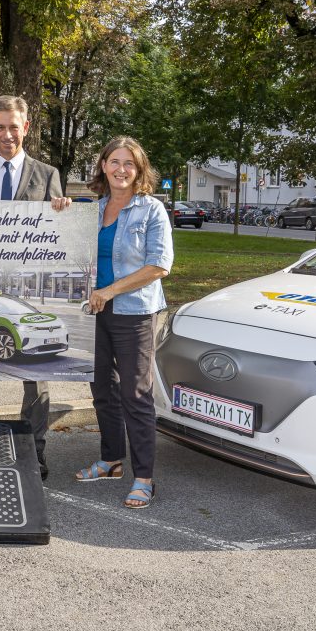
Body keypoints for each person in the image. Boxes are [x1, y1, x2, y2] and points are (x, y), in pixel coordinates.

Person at [0, 95, 71, 480]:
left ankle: (34, 452)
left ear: (26, 128)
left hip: (28, 289)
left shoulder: (48, 173)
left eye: (14, 126)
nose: (7, 134)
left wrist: (64, 215)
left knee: (36, 376)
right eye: (0, 127)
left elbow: (59, 237)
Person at [75, 136, 173, 510]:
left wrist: (110, 291)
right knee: (102, 389)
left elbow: (159, 265)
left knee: (135, 394)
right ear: (103, 166)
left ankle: (144, 477)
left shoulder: (150, 211)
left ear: (139, 169)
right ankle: (111, 460)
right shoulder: (93, 210)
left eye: (129, 163)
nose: (121, 169)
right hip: (95, 311)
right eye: (114, 162)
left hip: (134, 312)